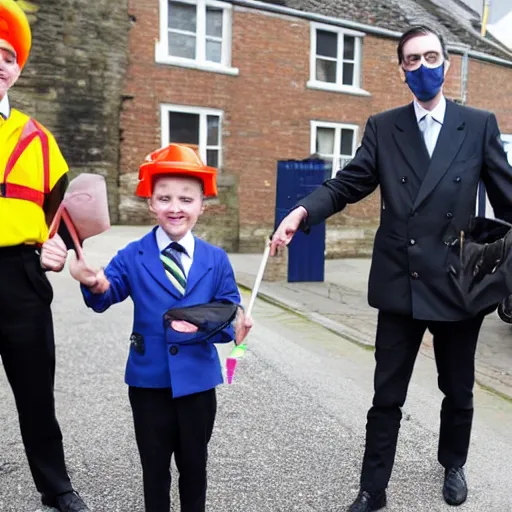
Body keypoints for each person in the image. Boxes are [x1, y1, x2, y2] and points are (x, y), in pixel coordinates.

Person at [271, 25, 512, 512]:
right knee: (387, 395)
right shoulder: (384, 127)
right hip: (400, 281)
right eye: (412, 61)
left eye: (430, 58)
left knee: (458, 389)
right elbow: (347, 184)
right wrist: (302, 211)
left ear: (446, 63)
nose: (423, 67)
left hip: (456, 284)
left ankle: (453, 462)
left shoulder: (478, 124)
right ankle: (372, 488)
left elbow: (508, 195)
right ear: (402, 70)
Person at [69, 143, 253, 512]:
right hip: (148, 381)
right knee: (154, 469)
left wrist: (234, 326)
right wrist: (93, 283)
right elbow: (107, 294)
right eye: (164, 197)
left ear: (202, 204)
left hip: (198, 383)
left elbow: (224, 313)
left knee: (194, 467)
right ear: (150, 202)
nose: (175, 207)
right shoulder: (132, 255)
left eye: (186, 199)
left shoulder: (216, 260)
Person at [0, 1, 90, 510]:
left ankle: (55, 487)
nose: (0, 63)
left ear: (17, 69)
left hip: (22, 277)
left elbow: (67, 211)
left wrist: (72, 256)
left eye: (8, 55)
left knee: (36, 392)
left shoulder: (38, 138)